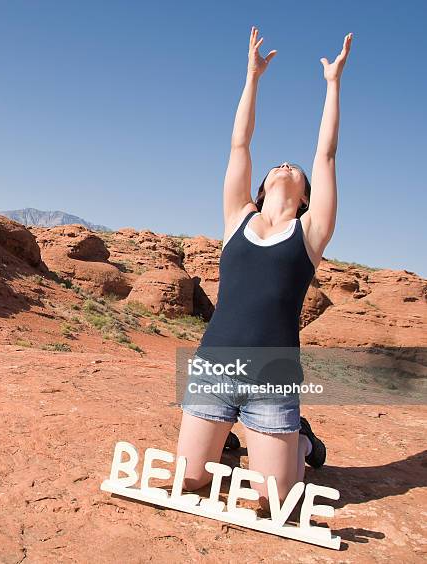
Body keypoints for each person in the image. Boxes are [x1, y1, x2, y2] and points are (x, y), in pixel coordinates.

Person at [176, 26, 353, 509]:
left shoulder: (311, 233)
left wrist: (332, 83)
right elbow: (239, 145)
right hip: (215, 367)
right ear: (261, 187)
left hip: (273, 377)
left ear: (305, 193)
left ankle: (299, 440)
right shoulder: (237, 219)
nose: (284, 166)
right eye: (277, 166)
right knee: (188, 481)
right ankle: (228, 441)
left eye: (293, 170)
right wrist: (252, 77)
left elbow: (327, 153)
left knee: (272, 500)